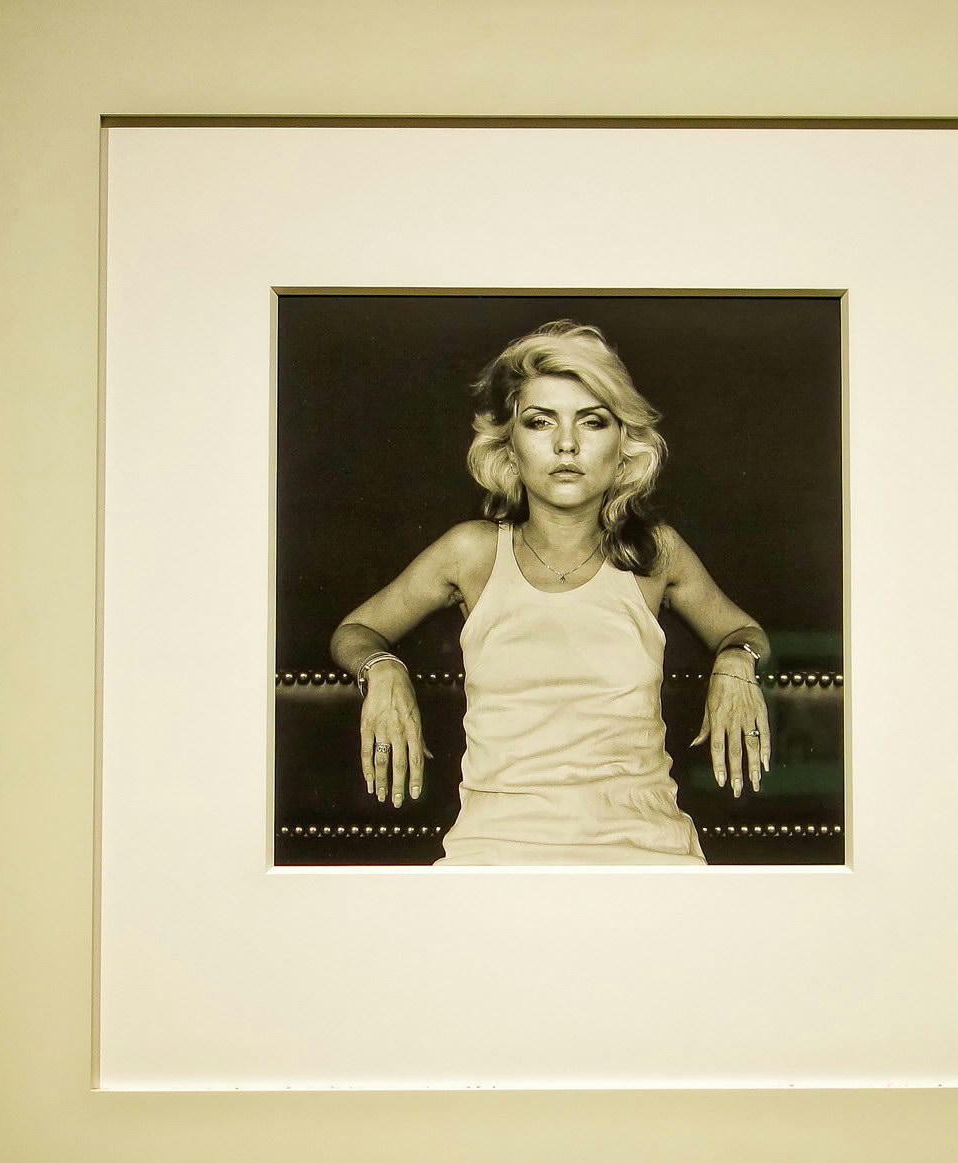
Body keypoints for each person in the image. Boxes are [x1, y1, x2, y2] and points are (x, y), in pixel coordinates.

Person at [330, 320, 770, 866]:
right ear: (510, 446)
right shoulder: (470, 552)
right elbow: (355, 630)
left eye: (592, 421)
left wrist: (736, 658)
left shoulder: (655, 553)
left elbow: (744, 630)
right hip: (495, 855)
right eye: (540, 422)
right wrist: (381, 668)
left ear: (624, 446)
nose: (566, 444)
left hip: (645, 854)